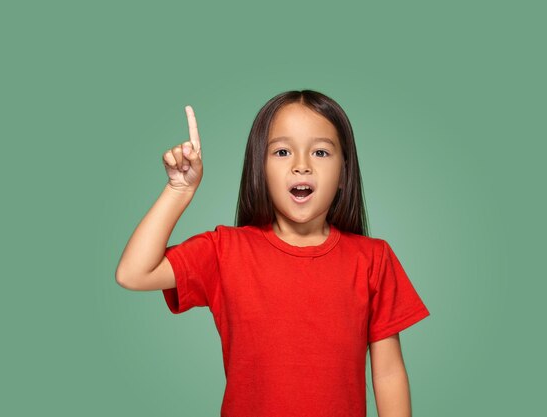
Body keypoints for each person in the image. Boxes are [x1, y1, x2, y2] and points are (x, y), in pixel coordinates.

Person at [115, 89, 431, 417]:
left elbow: (389, 373)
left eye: (321, 152)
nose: (301, 166)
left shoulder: (373, 259)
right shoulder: (225, 250)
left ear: (344, 174)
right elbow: (134, 273)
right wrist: (178, 190)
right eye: (282, 152)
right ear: (260, 169)